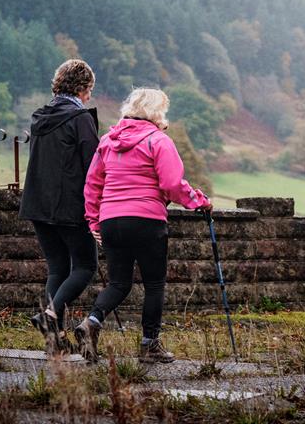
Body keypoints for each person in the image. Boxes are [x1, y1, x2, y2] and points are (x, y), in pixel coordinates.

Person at [75, 88, 212, 364]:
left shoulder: (107, 142)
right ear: (156, 112)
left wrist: (93, 220)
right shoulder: (158, 141)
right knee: (154, 283)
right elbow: (172, 185)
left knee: (119, 282)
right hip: (147, 220)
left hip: (111, 220)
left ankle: (91, 322)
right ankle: (150, 345)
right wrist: (199, 201)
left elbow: (92, 184)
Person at [19, 59, 100, 354]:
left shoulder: (39, 117)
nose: (90, 96)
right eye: (89, 89)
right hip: (70, 206)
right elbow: (93, 166)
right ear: (81, 88)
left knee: (57, 269)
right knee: (85, 265)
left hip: (38, 204)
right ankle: (50, 315)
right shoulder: (81, 119)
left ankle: (55, 342)